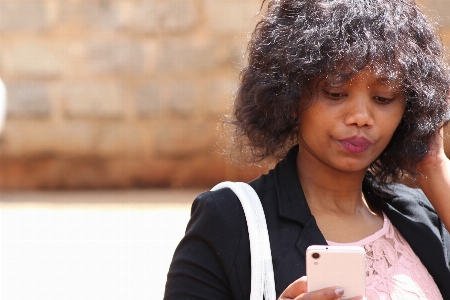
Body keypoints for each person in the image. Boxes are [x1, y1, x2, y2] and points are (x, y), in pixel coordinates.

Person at [164, 0, 450, 299]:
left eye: (383, 98)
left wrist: (434, 166)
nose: (361, 118)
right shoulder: (229, 221)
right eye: (335, 93)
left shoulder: (426, 215)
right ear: (290, 97)